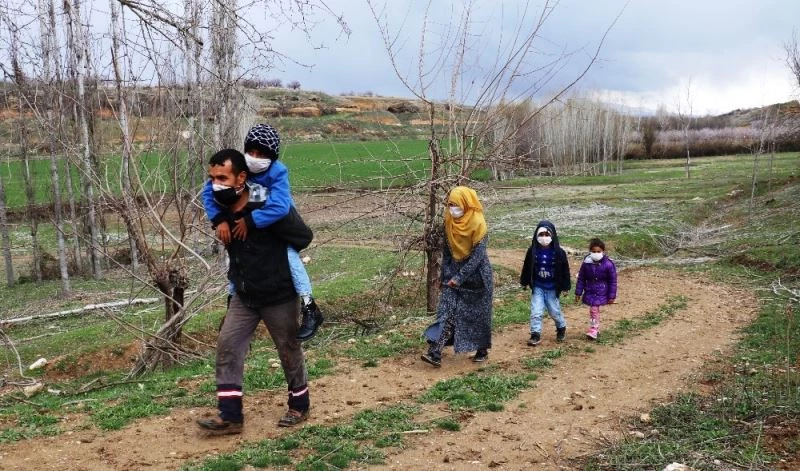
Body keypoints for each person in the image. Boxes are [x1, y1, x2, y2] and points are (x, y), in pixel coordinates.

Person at [197, 149, 313, 435]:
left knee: (288, 348)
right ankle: (230, 416)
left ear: (242, 178)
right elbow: (208, 198)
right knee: (227, 346)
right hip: (244, 296)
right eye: (212, 178)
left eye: (223, 177)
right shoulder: (221, 212)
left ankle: (300, 404)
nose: (216, 184)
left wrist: (259, 222)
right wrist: (219, 221)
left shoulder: (269, 206)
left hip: (279, 294)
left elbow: (303, 236)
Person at [202, 123, 323, 341]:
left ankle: (309, 305)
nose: (255, 157)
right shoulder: (240, 167)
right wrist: (219, 219)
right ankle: (232, 300)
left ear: (272, 156)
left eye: (261, 154)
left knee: (289, 256)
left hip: (279, 225)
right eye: (251, 152)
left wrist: (251, 221)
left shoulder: (278, 171)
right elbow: (208, 190)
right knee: (237, 258)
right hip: (252, 227)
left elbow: (280, 206)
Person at [421, 186, 493, 367]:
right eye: (450, 204)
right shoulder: (449, 222)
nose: (452, 208)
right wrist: (444, 276)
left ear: (466, 204)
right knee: (446, 311)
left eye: (456, 204)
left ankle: (481, 349)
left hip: (478, 277)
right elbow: (447, 252)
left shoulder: (478, 224)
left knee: (478, 315)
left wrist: (459, 277)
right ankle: (435, 352)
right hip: (453, 274)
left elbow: (478, 257)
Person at [520, 220, 571, 346]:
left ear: (552, 235)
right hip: (538, 286)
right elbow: (527, 267)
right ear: (536, 236)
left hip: (553, 288)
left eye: (547, 235)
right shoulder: (532, 251)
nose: (544, 238)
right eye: (541, 235)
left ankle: (561, 327)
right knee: (536, 311)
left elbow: (565, 270)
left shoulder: (559, 253)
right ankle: (535, 334)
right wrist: (525, 281)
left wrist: (565, 287)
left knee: (554, 312)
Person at [575, 238, 618, 340]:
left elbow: (613, 281)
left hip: (601, 291)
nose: (596, 253)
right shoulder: (586, 263)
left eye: (598, 251)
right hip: (590, 290)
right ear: (590, 251)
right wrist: (578, 292)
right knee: (593, 310)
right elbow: (581, 278)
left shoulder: (608, 264)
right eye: (593, 251)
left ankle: (594, 329)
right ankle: (595, 328)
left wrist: (611, 296)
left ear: (603, 251)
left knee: (593, 309)